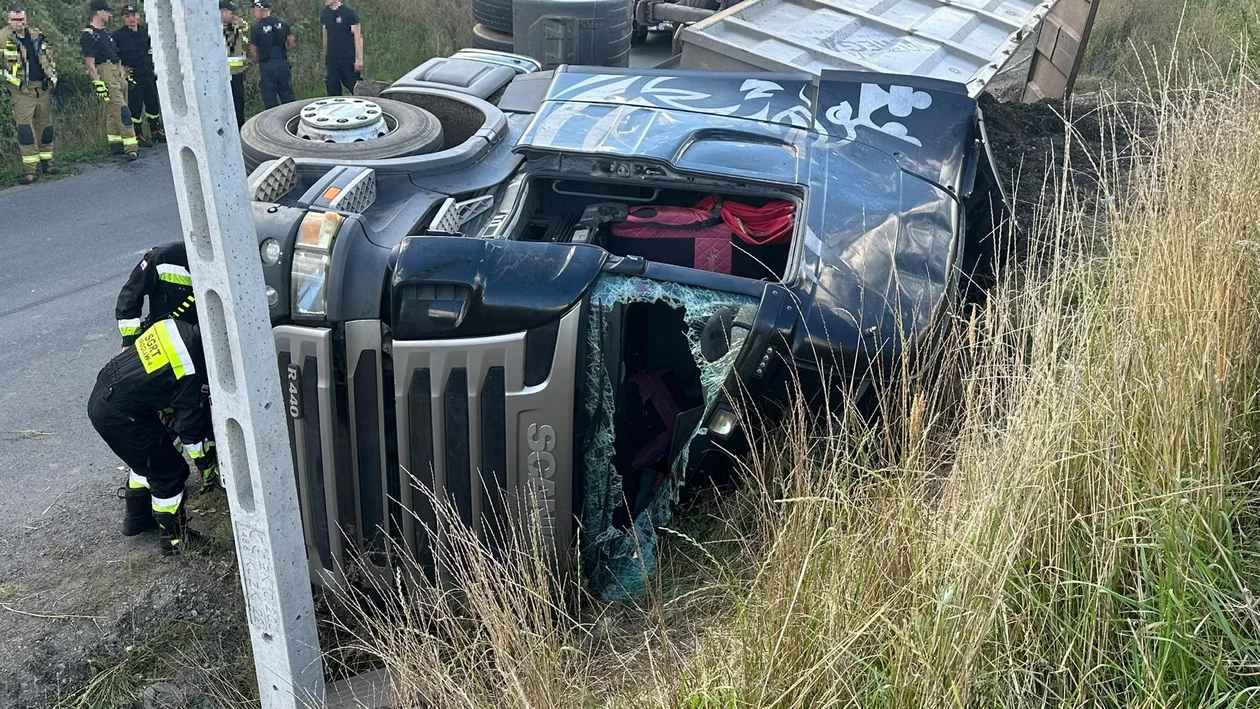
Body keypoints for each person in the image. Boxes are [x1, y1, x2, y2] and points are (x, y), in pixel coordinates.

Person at [88, 319, 218, 554]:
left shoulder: (173, 325)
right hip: (121, 413)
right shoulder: (193, 365)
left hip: (106, 392)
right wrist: (206, 466)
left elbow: (156, 376)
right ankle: (175, 540)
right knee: (168, 470)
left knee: (146, 456)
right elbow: (189, 428)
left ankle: (137, 518)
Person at [3, 4, 58, 184]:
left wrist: (52, 77)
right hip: (21, 90)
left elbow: (47, 57)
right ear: (8, 20)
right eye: (15, 20)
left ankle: (48, 163)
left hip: (42, 87)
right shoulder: (3, 38)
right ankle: (31, 171)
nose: (19, 23)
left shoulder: (36, 34)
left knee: (45, 127)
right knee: (25, 130)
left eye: (22, 19)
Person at [81, 0, 138, 160]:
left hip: (117, 70)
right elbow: (90, 64)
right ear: (99, 12)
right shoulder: (88, 35)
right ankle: (131, 147)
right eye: (107, 12)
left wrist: (124, 75)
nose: (110, 15)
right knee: (122, 110)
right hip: (104, 71)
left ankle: (115, 144)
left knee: (115, 110)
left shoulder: (105, 33)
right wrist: (98, 83)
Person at [116, 242, 196, 349]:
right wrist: (129, 340)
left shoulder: (223, 259)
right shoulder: (162, 258)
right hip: (164, 341)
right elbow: (130, 296)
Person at [112, 4, 163, 146]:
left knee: (153, 104)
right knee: (135, 106)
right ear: (123, 18)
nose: (131, 19)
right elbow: (114, 57)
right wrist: (122, 68)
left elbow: (155, 51)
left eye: (134, 15)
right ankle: (138, 134)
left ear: (138, 16)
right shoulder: (118, 36)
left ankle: (156, 130)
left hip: (148, 73)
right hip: (133, 77)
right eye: (127, 16)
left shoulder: (146, 33)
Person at [249, 0, 294, 109]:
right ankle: (292, 118)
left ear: (260, 10)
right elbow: (291, 43)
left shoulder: (256, 28)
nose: (254, 13)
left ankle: (272, 122)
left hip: (267, 64)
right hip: (282, 62)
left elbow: (253, 50)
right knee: (287, 92)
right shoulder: (282, 23)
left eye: (254, 10)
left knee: (270, 96)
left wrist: (261, 57)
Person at [321, 0, 361, 97]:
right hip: (332, 59)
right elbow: (325, 35)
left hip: (347, 58)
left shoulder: (349, 13)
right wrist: (325, 55)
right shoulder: (325, 13)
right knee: (332, 89)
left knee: (354, 88)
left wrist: (359, 59)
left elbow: (357, 37)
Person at [220, 0, 248, 127]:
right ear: (222, 12)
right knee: (224, 103)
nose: (233, 15)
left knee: (239, 102)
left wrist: (233, 20)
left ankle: (240, 125)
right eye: (230, 12)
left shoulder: (236, 25)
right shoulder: (213, 30)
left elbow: (245, 26)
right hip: (221, 75)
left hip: (237, 73)